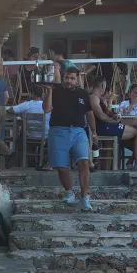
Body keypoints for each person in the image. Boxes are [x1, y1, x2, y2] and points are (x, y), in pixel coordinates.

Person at [42, 63, 96, 210]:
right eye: (66, 78)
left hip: (78, 132)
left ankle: (85, 198)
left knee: (84, 162)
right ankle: (69, 192)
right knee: (61, 167)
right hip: (58, 131)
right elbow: (46, 109)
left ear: (77, 79)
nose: (68, 81)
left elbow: (89, 113)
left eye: (72, 78)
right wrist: (49, 92)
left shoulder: (83, 94)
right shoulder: (55, 91)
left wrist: (94, 131)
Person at [89, 75, 137, 170]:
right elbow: (101, 116)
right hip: (104, 127)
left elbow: (106, 113)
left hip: (106, 126)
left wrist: (114, 116)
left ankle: (135, 161)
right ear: (103, 86)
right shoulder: (94, 98)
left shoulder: (98, 98)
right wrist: (114, 122)